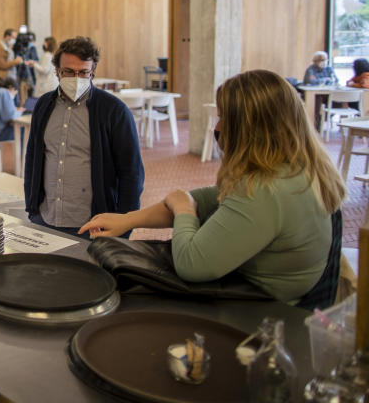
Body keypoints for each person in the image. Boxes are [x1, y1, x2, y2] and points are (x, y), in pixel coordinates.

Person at [79, 70, 345, 306]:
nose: (217, 127)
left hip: (262, 309)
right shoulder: (296, 171)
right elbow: (209, 200)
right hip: (271, 292)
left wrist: (184, 211)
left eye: (223, 118)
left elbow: (192, 265)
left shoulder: (268, 190)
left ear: (248, 128)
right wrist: (128, 220)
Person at [23, 36, 144, 238]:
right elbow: (33, 156)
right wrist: (32, 206)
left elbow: (131, 173)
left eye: (84, 72)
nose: (76, 78)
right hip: (45, 218)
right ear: (57, 71)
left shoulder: (114, 111)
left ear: (92, 72)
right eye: (69, 71)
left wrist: (124, 225)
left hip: (92, 226)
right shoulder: (44, 106)